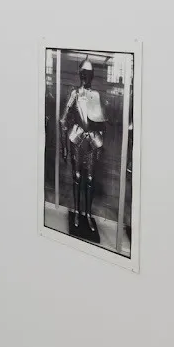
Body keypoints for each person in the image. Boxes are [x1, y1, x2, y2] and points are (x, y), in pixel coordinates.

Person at [60, 59, 107, 242]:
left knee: (90, 178)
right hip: (77, 137)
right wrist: (64, 146)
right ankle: (78, 213)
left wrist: (101, 142)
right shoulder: (74, 93)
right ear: (80, 74)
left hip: (92, 139)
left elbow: (101, 122)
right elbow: (63, 120)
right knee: (78, 177)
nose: (86, 77)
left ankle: (88, 214)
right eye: (84, 73)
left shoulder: (95, 95)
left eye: (89, 74)